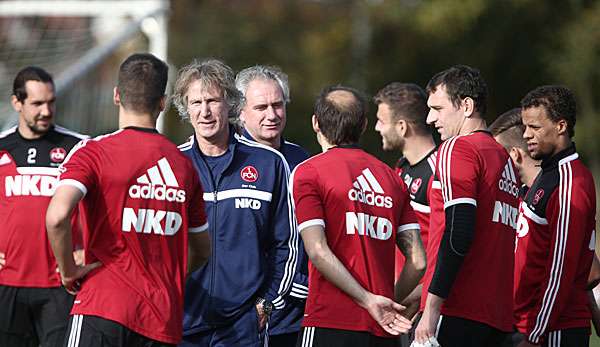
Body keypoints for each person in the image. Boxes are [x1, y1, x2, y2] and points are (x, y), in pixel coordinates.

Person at [45, 53, 211, 346]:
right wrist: (164, 275)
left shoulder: (93, 152)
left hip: (102, 308)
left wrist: (69, 271)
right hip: (161, 318)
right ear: (162, 103)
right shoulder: (183, 165)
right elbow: (201, 250)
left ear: (117, 95)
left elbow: (57, 217)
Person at [173, 59, 297, 347]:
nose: (204, 112)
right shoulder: (174, 164)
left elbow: (286, 244)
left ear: (230, 104)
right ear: (185, 108)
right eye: (196, 102)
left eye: (213, 101)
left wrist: (266, 304)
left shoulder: (269, 164)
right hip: (183, 320)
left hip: (243, 326)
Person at [292, 85, 426, 347]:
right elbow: (418, 261)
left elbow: (317, 250)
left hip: (329, 322)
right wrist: (383, 300)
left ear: (315, 123)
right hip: (382, 329)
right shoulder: (392, 177)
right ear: (364, 125)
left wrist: (367, 300)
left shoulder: (309, 172)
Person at [415, 65, 519, 347]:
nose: (430, 118)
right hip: (496, 317)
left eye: (437, 108)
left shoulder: (457, 148)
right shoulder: (503, 158)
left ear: (467, 106)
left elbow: (459, 232)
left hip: (456, 309)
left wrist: (432, 308)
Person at [0, 66, 87, 347]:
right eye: (37, 103)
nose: (46, 111)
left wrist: (91, 247)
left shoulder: (79, 147)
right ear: (17, 103)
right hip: (7, 284)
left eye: (51, 102)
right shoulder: (2, 147)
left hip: (61, 285)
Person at [513, 85, 596, 347]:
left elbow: (560, 268)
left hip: (554, 330)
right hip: (530, 325)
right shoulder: (548, 174)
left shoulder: (570, 183)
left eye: (535, 127)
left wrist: (536, 334)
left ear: (561, 126)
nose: (526, 135)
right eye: (525, 127)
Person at [236, 65, 310, 347]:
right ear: (241, 111)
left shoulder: (300, 158)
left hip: (292, 312)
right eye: (261, 107)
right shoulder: (229, 158)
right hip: (240, 312)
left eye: (278, 105)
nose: (272, 115)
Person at [373, 82, 437, 346]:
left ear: (402, 127)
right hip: (397, 304)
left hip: (423, 311)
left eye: (381, 120)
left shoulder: (440, 170)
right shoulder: (400, 168)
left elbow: (452, 242)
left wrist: (424, 294)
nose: (377, 128)